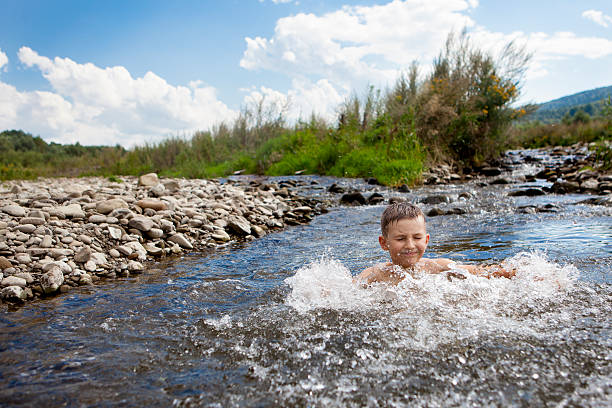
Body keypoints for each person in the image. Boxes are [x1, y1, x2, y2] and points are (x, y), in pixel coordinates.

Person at [355, 201, 515, 285]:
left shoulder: (436, 266)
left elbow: (479, 272)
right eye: (400, 238)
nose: (410, 245)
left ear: (426, 240)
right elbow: (346, 291)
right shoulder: (376, 274)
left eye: (417, 238)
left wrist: (511, 272)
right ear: (384, 243)